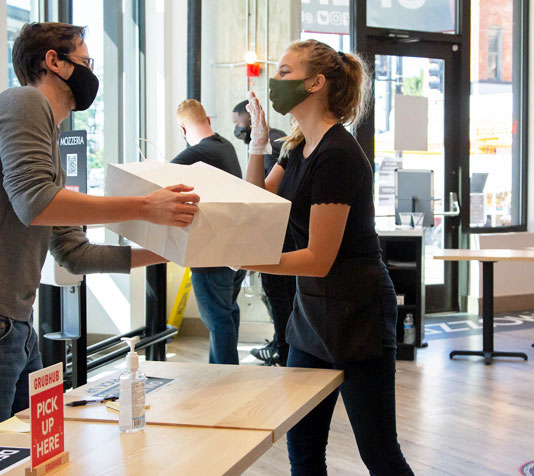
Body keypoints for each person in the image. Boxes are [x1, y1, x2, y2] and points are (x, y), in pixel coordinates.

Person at [0, 22, 200, 450]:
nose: (91, 73)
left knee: (23, 456)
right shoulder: (23, 102)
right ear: (54, 61)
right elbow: (35, 202)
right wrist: (146, 207)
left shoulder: (49, 137)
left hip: (8, 327)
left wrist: (169, 252)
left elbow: (74, 253)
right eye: (86, 62)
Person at [243, 40, 414, 475]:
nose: (274, 81)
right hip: (313, 315)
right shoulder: (297, 145)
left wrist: (251, 261)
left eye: (283, 72)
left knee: (378, 451)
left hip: (358, 313)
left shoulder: (338, 154)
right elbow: (256, 204)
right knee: (301, 447)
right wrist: (257, 146)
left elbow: (319, 257)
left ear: (315, 83)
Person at [171, 99, 247, 365]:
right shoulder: (225, 147)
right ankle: (224, 374)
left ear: (182, 128)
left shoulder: (198, 153)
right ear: (208, 120)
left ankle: (224, 379)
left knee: (217, 320)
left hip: (213, 253)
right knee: (227, 313)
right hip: (237, 250)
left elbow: (161, 176)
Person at [232, 100, 295, 367]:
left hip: (282, 245)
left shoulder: (278, 147)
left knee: (282, 308)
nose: (235, 128)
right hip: (282, 246)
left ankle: (282, 351)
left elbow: (259, 198)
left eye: (237, 123)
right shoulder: (281, 143)